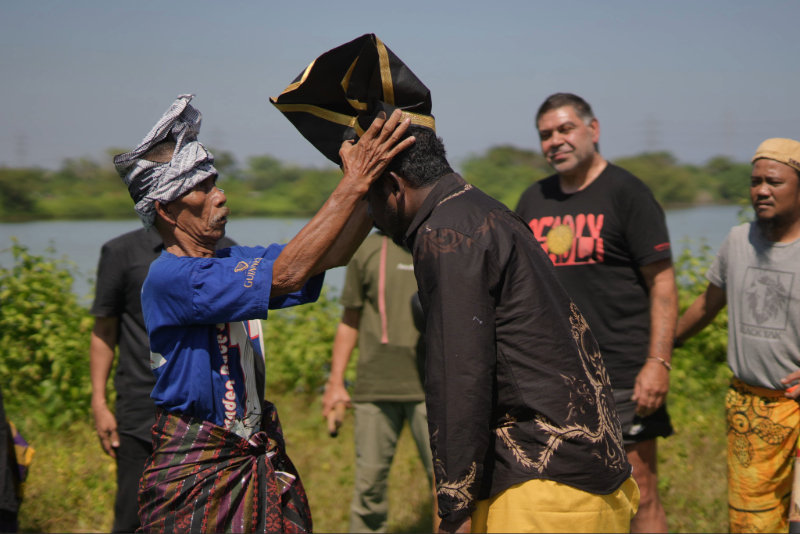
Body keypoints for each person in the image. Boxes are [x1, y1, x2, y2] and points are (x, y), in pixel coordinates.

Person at [273, 35, 639, 534]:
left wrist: (454, 507)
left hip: (547, 492)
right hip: (587, 479)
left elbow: (459, 374)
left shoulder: (445, 234)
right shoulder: (480, 210)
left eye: (368, 201)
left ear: (391, 187)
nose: (372, 218)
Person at [114, 93, 414, 532]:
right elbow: (290, 273)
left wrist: (372, 184)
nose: (219, 195)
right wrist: (352, 182)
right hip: (201, 462)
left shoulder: (223, 263)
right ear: (165, 209)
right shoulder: (173, 277)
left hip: (246, 451)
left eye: (215, 182)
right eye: (202, 187)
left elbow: (326, 256)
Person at [514, 93, 678, 533]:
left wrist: (657, 363)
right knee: (573, 491)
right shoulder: (533, 201)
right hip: (557, 378)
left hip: (623, 371)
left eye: (565, 129)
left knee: (639, 487)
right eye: (546, 134)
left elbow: (662, 284)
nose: (555, 141)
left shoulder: (627, 193)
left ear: (594, 130)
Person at [675, 138, 800, 533]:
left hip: (796, 407)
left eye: (774, 182)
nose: (761, 190)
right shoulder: (737, 241)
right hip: (750, 413)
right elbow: (706, 305)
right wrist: (660, 348)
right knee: (752, 525)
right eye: (755, 181)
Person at [90, 227, 235, 532]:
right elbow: (104, 330)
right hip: (142, 410)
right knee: (133, 514)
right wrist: (99, 402)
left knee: (207, 518)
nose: (217, 197)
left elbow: (239, 336)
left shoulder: (227, 252)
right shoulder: (123, 252)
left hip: (211, 417)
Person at [321, 232, 434, 533]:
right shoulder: (366, 249)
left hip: (433, 388)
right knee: (369, 487)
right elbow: (349, 319)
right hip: (375, 386)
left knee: (445, 484)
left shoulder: (439, 243)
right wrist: (335, 384)